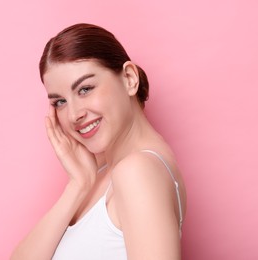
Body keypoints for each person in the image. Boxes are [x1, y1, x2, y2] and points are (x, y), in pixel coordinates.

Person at [11, 23, 186, 260]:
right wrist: (78, 186)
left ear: (129, 78)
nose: (74, 115)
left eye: (85, 89)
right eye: (60, 102)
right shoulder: (105, 173)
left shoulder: (137, 171)